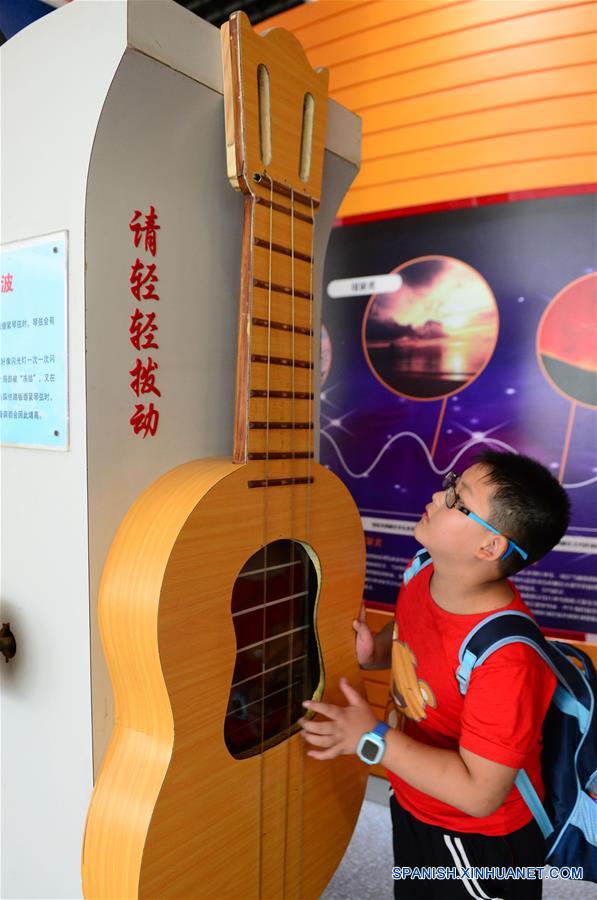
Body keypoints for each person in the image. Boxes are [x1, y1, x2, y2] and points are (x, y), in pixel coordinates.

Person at [299, 451, 571, 900]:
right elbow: (411, 631)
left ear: (490, 547)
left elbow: (479, 794)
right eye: (451, 484)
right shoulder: (425, 569)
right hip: (416, 798)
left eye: (455, 498)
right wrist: (377, 651)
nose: (436, 496)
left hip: (482, 843)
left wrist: (374, 738)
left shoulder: (508, 661)